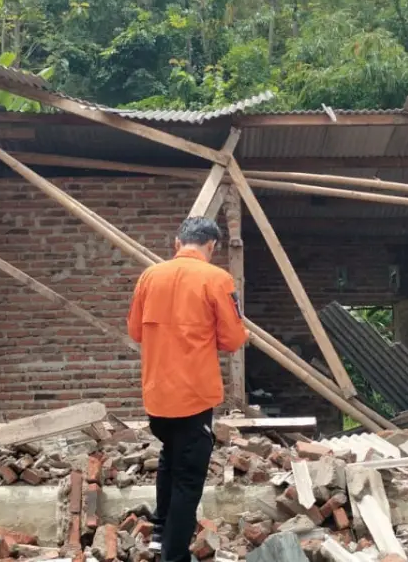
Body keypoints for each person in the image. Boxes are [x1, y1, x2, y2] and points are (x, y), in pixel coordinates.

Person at [127, 216, 248, 562]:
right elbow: (232, 339)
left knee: (170, 456)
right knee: (188, 479)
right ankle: (174, 555)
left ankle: (160, 532)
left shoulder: (150, 276)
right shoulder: (216, 279)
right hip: (194, 397)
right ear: (211, 246)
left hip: (157, 397)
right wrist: (240, 332)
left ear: (177, 243)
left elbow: (136, 331)